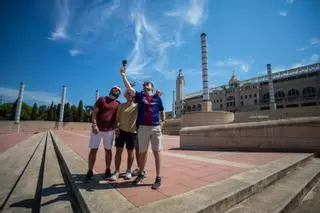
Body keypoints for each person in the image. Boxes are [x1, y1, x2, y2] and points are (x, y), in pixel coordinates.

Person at [120, 67, 166, 189]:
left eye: (148, 83)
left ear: (152, 87)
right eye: (144, 84)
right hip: (143, 128)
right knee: (142, 152)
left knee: (157, 152)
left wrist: (163, 122)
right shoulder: (140, 96)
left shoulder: (157, 98)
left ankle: (158, 177)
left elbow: (162, 110)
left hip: (155, 128)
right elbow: (130, 89)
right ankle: (141, 173)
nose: (145, 84)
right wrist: (124, 76)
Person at [85, 85, 121, 181]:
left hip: (109, 130)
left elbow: (118, 118)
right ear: (110, 90)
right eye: (115, 88)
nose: (116, 90)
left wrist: (117, 128)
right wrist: (94, 125)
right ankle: (90, 171)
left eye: (118, 90)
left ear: (119, 94)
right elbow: (94, 113)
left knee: (108, 150)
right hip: (97, 129)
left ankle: (108, 170)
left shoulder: (118, 104)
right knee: (93, 150)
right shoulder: (102, 99)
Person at [110, 90, 138, 181]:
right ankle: (116, 171)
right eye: (127, 94)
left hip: (132, 132)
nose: (129, 95)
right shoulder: (121, 105)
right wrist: (117, 128)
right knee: (118, 151)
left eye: (130, 94)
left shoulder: (137, 106)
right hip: (121, 131)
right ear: (125, 96)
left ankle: (128, 171)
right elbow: (117, 118)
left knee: (130, 152)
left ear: (133, 96)